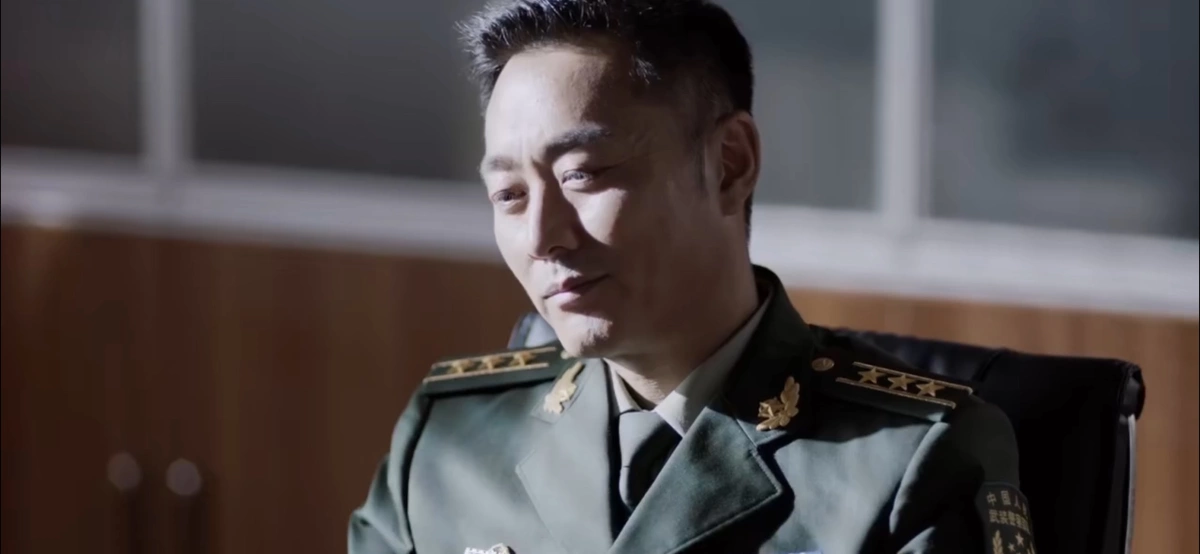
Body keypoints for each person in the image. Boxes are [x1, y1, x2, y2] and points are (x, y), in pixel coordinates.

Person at [349, 1, 1036, 552]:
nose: (541, 238)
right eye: (509, 195)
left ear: (730, 164)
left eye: (583, 175)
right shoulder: (449, 439)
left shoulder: (913, 459)